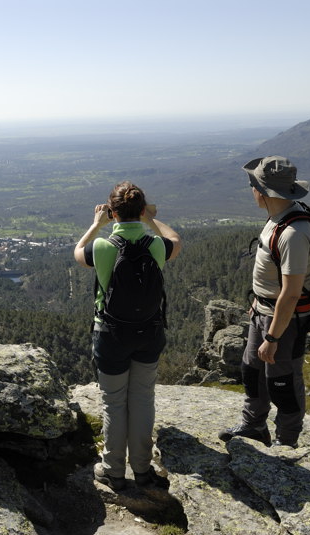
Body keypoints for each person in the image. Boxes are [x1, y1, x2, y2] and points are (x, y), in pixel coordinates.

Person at [74, 181, 182, 491]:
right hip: (149, 333)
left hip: (111, 335)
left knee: (114, 403)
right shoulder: (157, 246)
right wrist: (149, 219)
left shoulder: (104, 247)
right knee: (143, 399)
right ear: (142, 209)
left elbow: (78, 252)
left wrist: (96, 224)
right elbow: (175, 239)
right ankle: (143, 469)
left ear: (113, 212)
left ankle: (113, 471)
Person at [219, 156, 310, 449]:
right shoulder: (278, 218)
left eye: (253, 185)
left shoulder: (294, 233)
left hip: (285, 320)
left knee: (282, 382)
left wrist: (273, 336)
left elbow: (291, 293)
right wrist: (258, 303)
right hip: (263, 311)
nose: (251, 190)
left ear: (262, 191)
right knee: (252, 370)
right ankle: (253, 427)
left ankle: (286, 444)